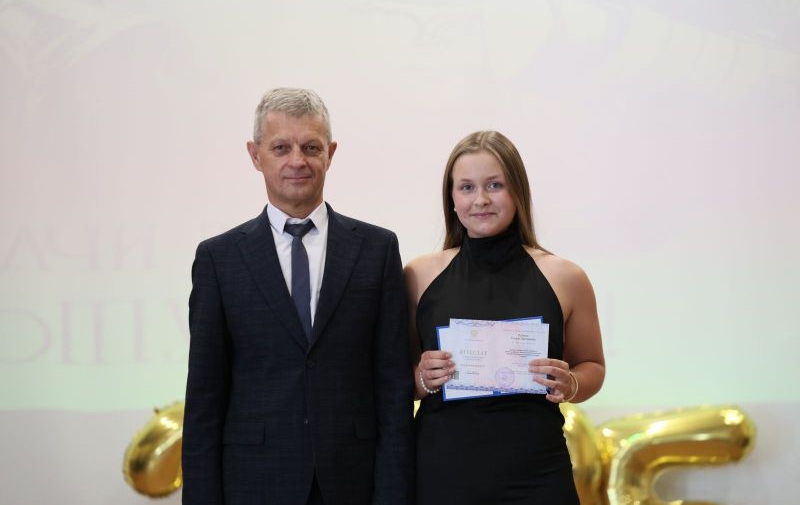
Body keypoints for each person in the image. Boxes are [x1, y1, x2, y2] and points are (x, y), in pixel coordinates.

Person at [181, 88, 414, 505]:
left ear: (331, 153)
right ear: (255, 155)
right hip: (254, 484)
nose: (297, 161)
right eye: (280, 148)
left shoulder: (377, 250)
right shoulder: (219, 259)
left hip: (354, 481)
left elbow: (393, 388)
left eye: (311, 147)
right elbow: (204, 397)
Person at [405, 130, 605, 504]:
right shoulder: (418, 275)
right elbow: (392, 382)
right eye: (466, 187)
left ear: (517, 192)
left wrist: (571, 384)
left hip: (537, 474)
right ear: (451, 198)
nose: (480, 199)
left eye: (495, 185)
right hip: (442, 473)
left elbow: (592, 366)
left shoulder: (566, 277)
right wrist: (421, 378)